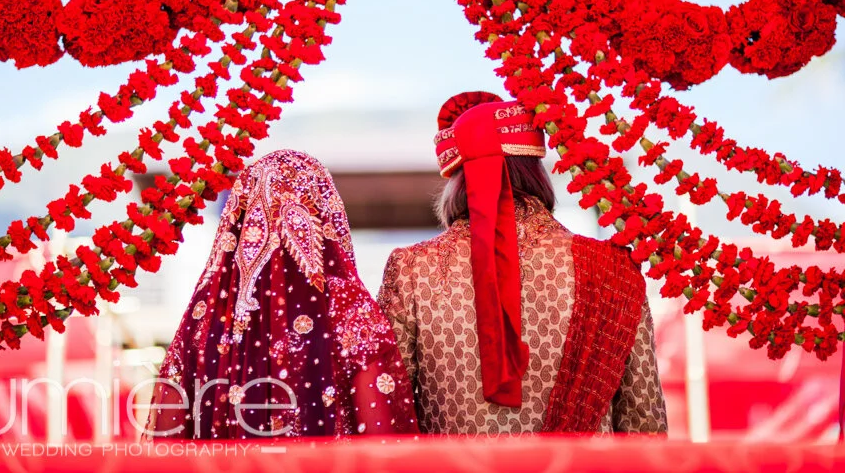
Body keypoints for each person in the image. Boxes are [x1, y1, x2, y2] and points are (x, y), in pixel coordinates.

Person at [378, 92, 667, 435]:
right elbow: (644, 424)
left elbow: (388, 410)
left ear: (456, 181)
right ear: (536, 171)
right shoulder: (612, 270)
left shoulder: (412, 269)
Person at [146, 150, 418, 439]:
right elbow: (383, 438)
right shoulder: (346, 305)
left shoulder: (207, 312)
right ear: (325, 212)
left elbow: (167, 438)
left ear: (241, 216)